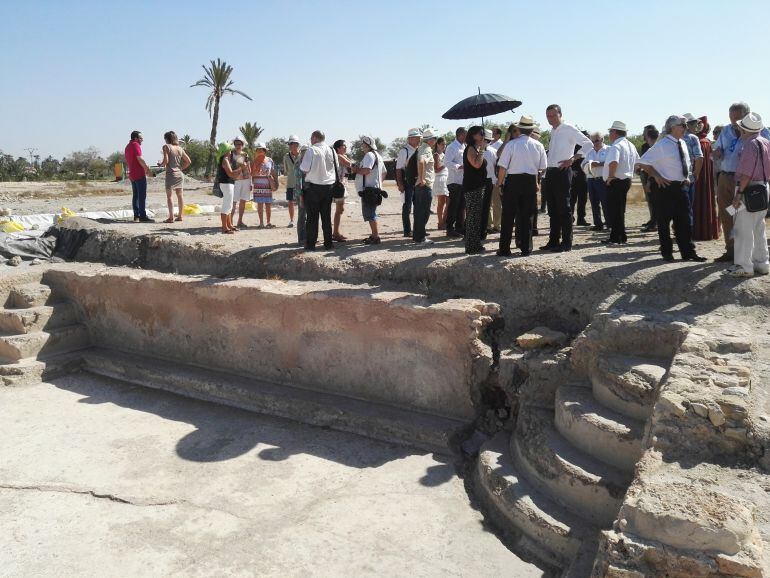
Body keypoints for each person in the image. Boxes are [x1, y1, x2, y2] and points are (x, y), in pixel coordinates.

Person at [637, 115, 706, 262]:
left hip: (681, 187)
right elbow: (642, 162)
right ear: (673, 127)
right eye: (683, 125)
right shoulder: (662, 145)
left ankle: (688, 252)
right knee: (664, 221)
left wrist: (687, 177)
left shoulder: (682, 143)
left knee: (685, 221)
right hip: (665, 188)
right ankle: (667, 252)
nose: (685, 128)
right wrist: (656, 176)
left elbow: (685, 162)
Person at [712, 102, 770, 262]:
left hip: (746, 183)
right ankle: (731, 250)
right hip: (726, 178)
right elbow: (719, 149)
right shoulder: (726, 130)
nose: (733, 122)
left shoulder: (762, 132)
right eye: (731, 118)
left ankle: (746, 258)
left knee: (745, 217)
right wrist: (716, 152)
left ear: (747, 116)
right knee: (727, 214)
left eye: (737, 118)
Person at [725, 113, 770, 278]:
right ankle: (762, 263)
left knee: (743, 229)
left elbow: (746, 174)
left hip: (748, 189)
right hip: (763, 187)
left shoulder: (749, 145)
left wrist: (739, 195)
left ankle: (744, 266)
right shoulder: (766, 142)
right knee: (759, 227)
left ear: (744, 129)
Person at [543, 104, 592, 252]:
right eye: (548, 116)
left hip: (562, 172)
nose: (550, 118)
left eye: (553, 115)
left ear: (560, 114)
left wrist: (572, 159)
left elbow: (588, 144)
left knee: (564, 208)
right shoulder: (553, 130)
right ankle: (553, 240)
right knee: (552, 209)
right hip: (550, 172)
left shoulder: (568, 128)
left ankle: (566, 242)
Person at [496, 115, 547, 256]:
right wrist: (536, 181)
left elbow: (502, 167)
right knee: (527, 216)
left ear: (519, 128)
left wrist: (499, 184)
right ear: (532, 130)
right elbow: (542, 168)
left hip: (513, 181)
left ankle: (504, 248)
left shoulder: (511, 145)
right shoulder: (539, 145)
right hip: (530, 181)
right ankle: (526, 248)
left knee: (508, 216)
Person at [601, 121, 639, 245]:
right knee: (619, 209)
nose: (609, 134)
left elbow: (613, 162)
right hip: (626, 180)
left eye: (610, 131)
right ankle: (620, 235)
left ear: (615, 132)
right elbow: (638, 163)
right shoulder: (631, 145)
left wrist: (610, 176)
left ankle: (616, 237)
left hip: (616, 181)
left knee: (614, 210)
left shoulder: (616, 146)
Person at [299, 130, 336, 250]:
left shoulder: (312, 150)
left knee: (312, 218)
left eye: (311, 138)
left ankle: (311, 244)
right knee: (326, 217)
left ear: (314, 138)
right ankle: (328, 243)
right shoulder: (332, 150)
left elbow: (304, 168)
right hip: (329, 187)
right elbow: (336, 167)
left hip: (314, 187)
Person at [353, 136, 387, 245]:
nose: (362, 147)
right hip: (375, 189)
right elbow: (384, 172)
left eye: (363, 145)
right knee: (371, 212)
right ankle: (373, 235)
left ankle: (376, 236)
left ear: (367, 145)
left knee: (370, 214)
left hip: (369, 191)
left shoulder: (369, 155)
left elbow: (366, 170)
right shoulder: (378, 156)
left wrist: (355, 170)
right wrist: (378, 184)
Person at [692, 117, 719, 241]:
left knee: (697, 202)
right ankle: (707, 231)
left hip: (697, 178)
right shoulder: (706, 141)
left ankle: (698, 232)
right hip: (705, 178)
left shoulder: (699, 142)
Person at [462, 126, 487, 254]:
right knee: (472, 217)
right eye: (480, 133)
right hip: (472, 187)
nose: (483, 135)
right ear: (473, 136)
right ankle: (471, 247)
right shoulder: (470, 149)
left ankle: (475, 244)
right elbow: (476, 164)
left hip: (478, 186)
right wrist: (482, 149)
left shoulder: (476, 149)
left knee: (477, 217)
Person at [158, 130, 191, 223]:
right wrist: (180, 168)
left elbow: (166, 161)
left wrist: (160, 165)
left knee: (169, 196)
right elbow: (188, 161)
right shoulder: (180, 148)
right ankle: (180, 216)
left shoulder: (166, 147)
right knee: (180, 195)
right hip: (179, 174)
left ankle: (171, 217)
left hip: (170, 174)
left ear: (167, 139)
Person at [395, 129, 421, 237]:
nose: (419, 140)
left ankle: (417, 230)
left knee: (418, 207)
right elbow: (398, 169)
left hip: (418, 182)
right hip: (408, 182)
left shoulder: (419, 150)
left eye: (419, 138)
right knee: (407, 207)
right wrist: (400, 184)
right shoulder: (404, 151)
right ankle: (407, 230)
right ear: (410, 139)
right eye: (417, 138)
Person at [124, 130, 154, 222]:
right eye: (141, 138)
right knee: (141, 196)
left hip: (132, 174)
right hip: (139, 174)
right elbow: (140, 159)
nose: (142, 140)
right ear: (136, 138)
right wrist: (147, 169)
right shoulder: (135, 145)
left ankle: (136, 215)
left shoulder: (127, 146)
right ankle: (143, 216)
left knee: (135, 196)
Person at [414, 129, 437, 244]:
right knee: (424, 212)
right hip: (425, 184)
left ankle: (417, 236)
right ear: (431, 140)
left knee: (419, 212)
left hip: (419, 185)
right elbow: (422, 162)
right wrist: (422, 179)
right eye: (435, 138)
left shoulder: (421, 148)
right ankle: (421, 238)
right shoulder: (427, 149)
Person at [682, 113, 705, 226]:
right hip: (688, 176)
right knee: (688, 206)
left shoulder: (673, 137)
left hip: (673, 177)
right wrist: (696, 173)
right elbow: (699, 157)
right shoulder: (693, 138)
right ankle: (687, 234)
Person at [582, 132, 609, 231]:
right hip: (591, 179)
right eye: (592, 141)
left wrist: (599, 164)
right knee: (594, 203)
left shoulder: (609, 150)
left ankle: (609, 223)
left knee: (606, 202)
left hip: (603, 179)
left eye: (596, 140)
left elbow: (613, 163)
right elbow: (583, 164)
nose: (594, 143)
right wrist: (588, 165)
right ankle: (598, 224)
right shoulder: (589, 152)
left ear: (602, 139)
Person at [444, 127, 467, 238]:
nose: (467, 137)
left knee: (462, 206)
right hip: (454, 181)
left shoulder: (464, 146)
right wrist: (459, 166)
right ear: (460, 135)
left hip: (463, 181)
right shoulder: (451, 147)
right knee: (454, 205)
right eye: (465, 135)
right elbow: (447, 162)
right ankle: (449, 228)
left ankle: (459, 227)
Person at [215, 142, 240, 234]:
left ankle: (229, 225)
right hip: (226, 184)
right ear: (226, 151)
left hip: (228, 183)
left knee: (229, 205)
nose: (231, 151)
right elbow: (230, 173)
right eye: (229, 150)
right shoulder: (225, 160)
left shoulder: (225, 159)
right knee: (227, 206)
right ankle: (224, 228)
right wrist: (241, 168)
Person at [251, 143, 277, 228]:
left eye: (261, 149)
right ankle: (261, 223)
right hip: (258, 184)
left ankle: (268, 222)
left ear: (264, 151)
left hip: (268, 184)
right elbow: (252, 173)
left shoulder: (269, 160)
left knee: (268, 204)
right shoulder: (254, 161)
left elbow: (272, 171)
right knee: (260, 204)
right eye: (258, 149)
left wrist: (276, 181)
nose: (259, 151)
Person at [639, 125, 659, 232]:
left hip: (652, 177)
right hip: (646, 175)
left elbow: (651, 165)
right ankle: (653, 220)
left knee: (655, 200)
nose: (643, 134)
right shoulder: (644, 146)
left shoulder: (655, 148)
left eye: (644, 132)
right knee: (650, 199)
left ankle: (655, 222)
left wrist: (649, 181)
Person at [229, 137, 252, 228]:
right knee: (233, 202)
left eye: (240, 144)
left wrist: (250, 182)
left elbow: (249, 168)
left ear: (242, 145)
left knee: (243, 201)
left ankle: (240, 221)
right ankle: (230, 222)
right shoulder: (231, 155)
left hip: (246, 180)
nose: (238, 146)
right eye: (236, 144)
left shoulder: (246, 155)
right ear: (234, 145)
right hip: (236, 181)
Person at [480, 129, 497, 239]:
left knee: (484, 207)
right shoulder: (493, 151)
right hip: (488, 181)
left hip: (485, 181)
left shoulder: (485, 151)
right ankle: (483, 229)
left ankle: (483, 229)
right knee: (485, 207)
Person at [570, 138, 590, 226]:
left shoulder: (586, 150)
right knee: (574, 199)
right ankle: (574, 218)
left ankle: (580, 218)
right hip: (575, 178)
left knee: (581, 199)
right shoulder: (574, 149)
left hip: (582, 177)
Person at [283, 135, 301, 228]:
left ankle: (302, 219)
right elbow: (286, 171)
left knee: (301, 202)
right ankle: (292, 220)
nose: (289, 145)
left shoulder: (303, 155)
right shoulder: (286, 157)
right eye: (289, 144)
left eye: (291, 143)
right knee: (290, 202)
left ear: (296, 144)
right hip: (290, 183)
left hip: (301, 183)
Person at [488, 127, 504, 232]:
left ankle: (497, 225)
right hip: (485, 179)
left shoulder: (499, 146)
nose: (492, 134)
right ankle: (488, 224)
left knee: (497, 203)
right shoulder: (488, 146)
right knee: (487, 203)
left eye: (494, 133)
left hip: (495, 179)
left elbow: (499, 165)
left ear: (498, 134)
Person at [433, 137, 449, 229]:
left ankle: (444, 220)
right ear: (438, 145)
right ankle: (440, 222)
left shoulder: (444, 154)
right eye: (442, 144)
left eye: (445, 144)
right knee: (441, 202)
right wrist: (446, 164)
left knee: (448, 201)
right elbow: (436, 169)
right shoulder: (436, 155)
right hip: (440, 179)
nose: (444, 146)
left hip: (447, 178)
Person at [295, 145, 308, 245]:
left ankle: (308, 237)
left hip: (309, 192)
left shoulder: (308, 163)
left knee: (309, 216)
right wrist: (300, 197)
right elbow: (298, 182)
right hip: (301, 193)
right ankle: (302, 238)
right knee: (302, 216)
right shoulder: (299, 163)